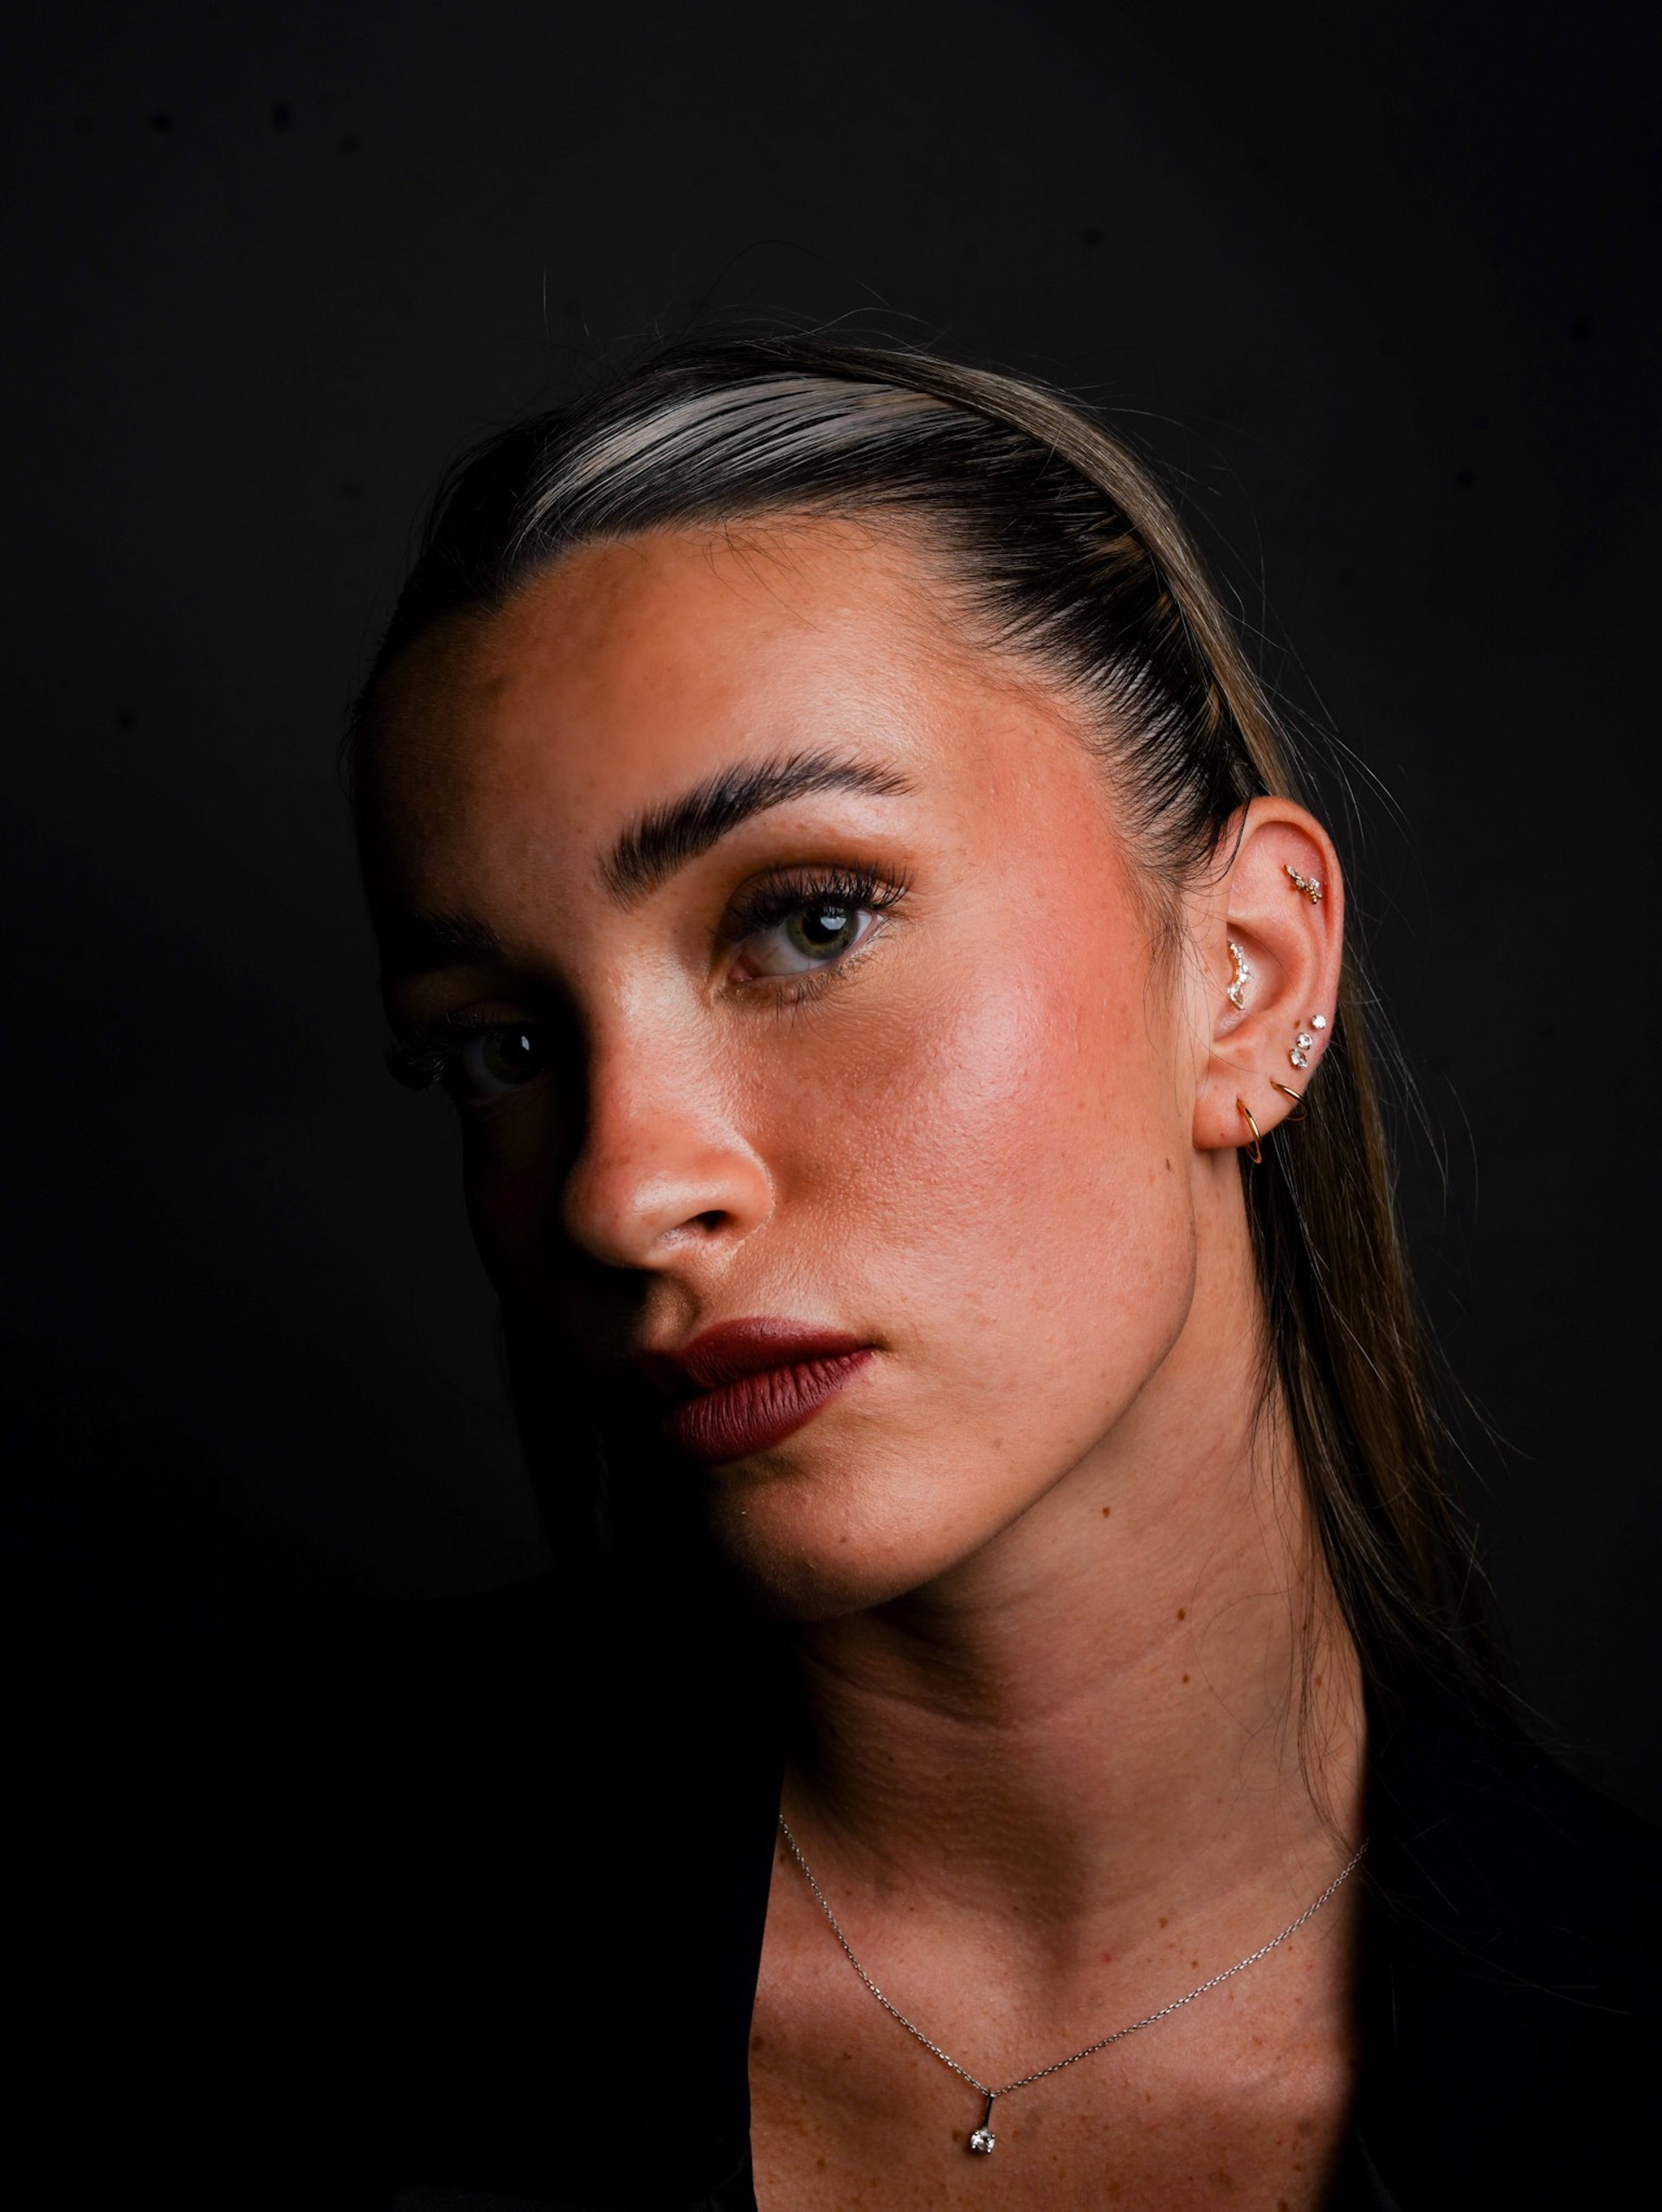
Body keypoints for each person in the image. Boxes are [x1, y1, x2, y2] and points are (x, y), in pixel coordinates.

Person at [22, 335, 1655, 2210]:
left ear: (1249, 975)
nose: (624, 1195)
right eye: (501, 1050)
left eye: (809, 920)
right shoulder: (183, 1934)